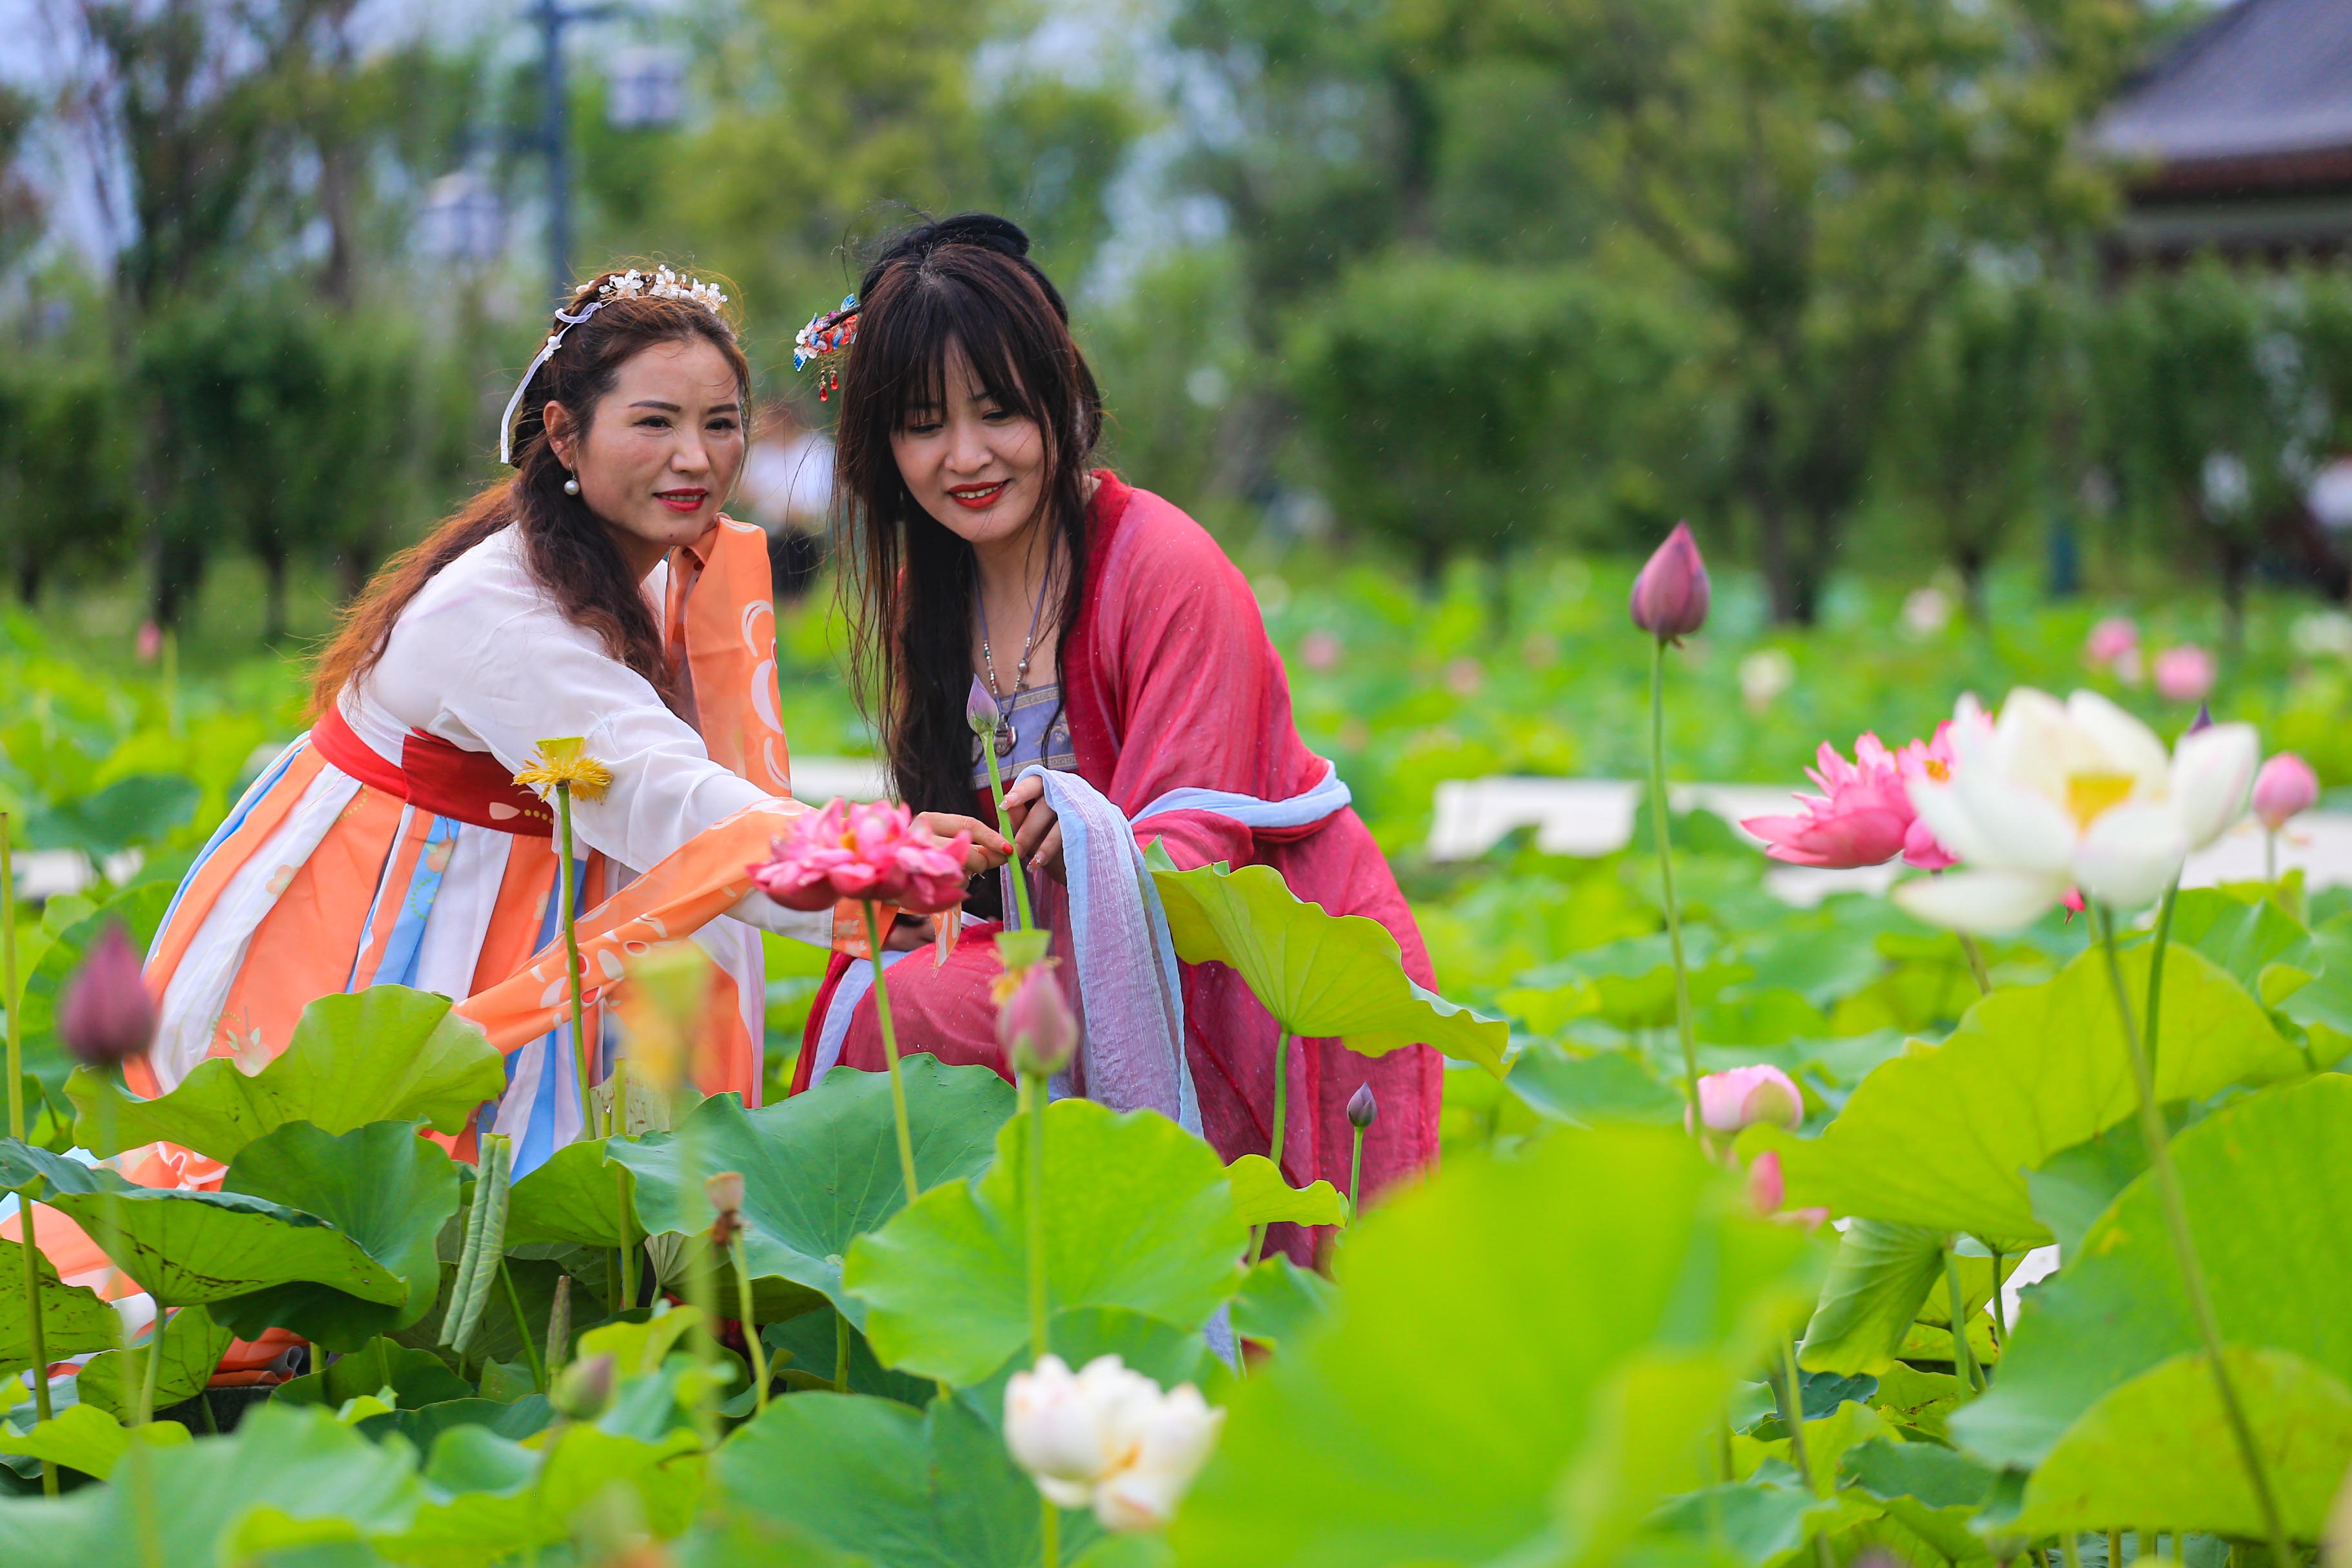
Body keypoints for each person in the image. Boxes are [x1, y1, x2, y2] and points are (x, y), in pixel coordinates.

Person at [135, 263, 1006, 1177]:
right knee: (337, 1209)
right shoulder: (500, 613)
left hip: (518, 904)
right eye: (654, 423)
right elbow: (664, 792)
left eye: (720, 424)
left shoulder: (652, 566)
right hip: (391, 920)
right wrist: (873, 858)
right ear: (564, 434)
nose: (697, 459)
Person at [785, 215, 1440, 1246]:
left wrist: (1083, 827)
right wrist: (922, 882)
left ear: (1063, 397)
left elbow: (1192, 860)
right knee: (882, 987)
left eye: (998, 411)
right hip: (1066, 971)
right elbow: (982, 877)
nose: (965, 456)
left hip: (1249, 976)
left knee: (904, 1015)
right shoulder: (930, 595)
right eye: (922, 423)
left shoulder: (1163, 566)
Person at [739, 401, 834, 601]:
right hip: (769, 539)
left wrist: (774, 502)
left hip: (802, 539)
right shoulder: (761, 453)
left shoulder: (814, 449)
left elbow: (815, 503)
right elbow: (744, 491)